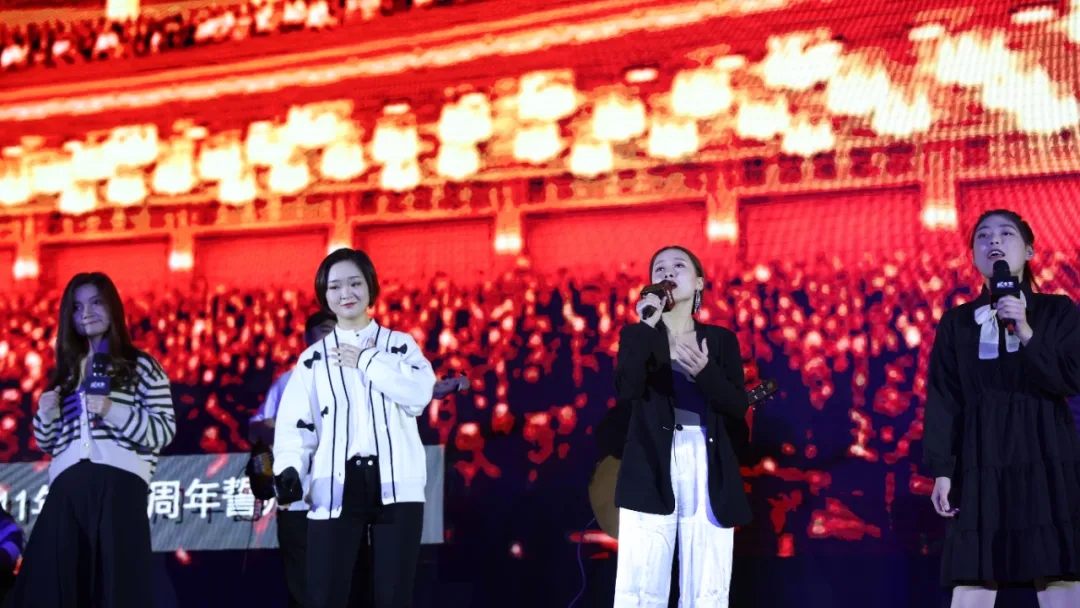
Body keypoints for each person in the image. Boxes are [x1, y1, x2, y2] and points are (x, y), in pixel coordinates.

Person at [925, 209, 1080, 608]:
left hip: (1046, 448)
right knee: (975, 572)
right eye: (983, 236)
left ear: (1029, 250)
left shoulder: (1058, 311)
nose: (993, 241)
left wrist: (1026, 330)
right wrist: (943, 470)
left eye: (1006, 234)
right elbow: (944, 399)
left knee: (1058, 570)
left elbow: (1071, 378)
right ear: (974, 255)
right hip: (980, 455)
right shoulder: (957, 322)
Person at [272, 248, 436, 608]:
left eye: (354, 283)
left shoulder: (398, 345)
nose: (345, 293)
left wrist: (366, 360)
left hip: (396, 485)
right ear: (324, 294)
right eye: (334, 287)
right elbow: (295, 428)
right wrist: (288, 468)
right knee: (326, 595)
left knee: (392, 596)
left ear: (370, 287)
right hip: (336, 486)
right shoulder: (312, 359)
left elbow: (419, 395)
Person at [12, 272, 176, 608]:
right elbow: (48, 443)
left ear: (113, 307)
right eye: (77, 307)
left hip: (119, 485)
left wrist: (112, 410)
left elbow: (163, 430)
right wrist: (46, 414)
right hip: (66, 489)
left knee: (116, 589)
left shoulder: (141, 365)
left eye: (96, 302)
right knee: (51, 587)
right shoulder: (66, 374)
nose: (86, 313)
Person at [611, 245, 751, 608]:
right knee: (641, 579)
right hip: (651, 460)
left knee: (707, 578)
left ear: (699, 282)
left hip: (706, 458)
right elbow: (627, 389)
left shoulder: (720, 340)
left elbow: (737, 406)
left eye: (678, 266)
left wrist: (705, 373)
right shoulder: (637, 336)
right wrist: (646, 324)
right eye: (659, 269)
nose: (668, 272)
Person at [249, 310, 336, 608]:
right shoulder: (287, 382)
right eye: (325, 331)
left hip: (346, 500)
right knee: (302, 583)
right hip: (297, 500)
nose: (332, 338)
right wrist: (273, 427)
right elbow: (256, 427)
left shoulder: (359, 381)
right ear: (307, 338)